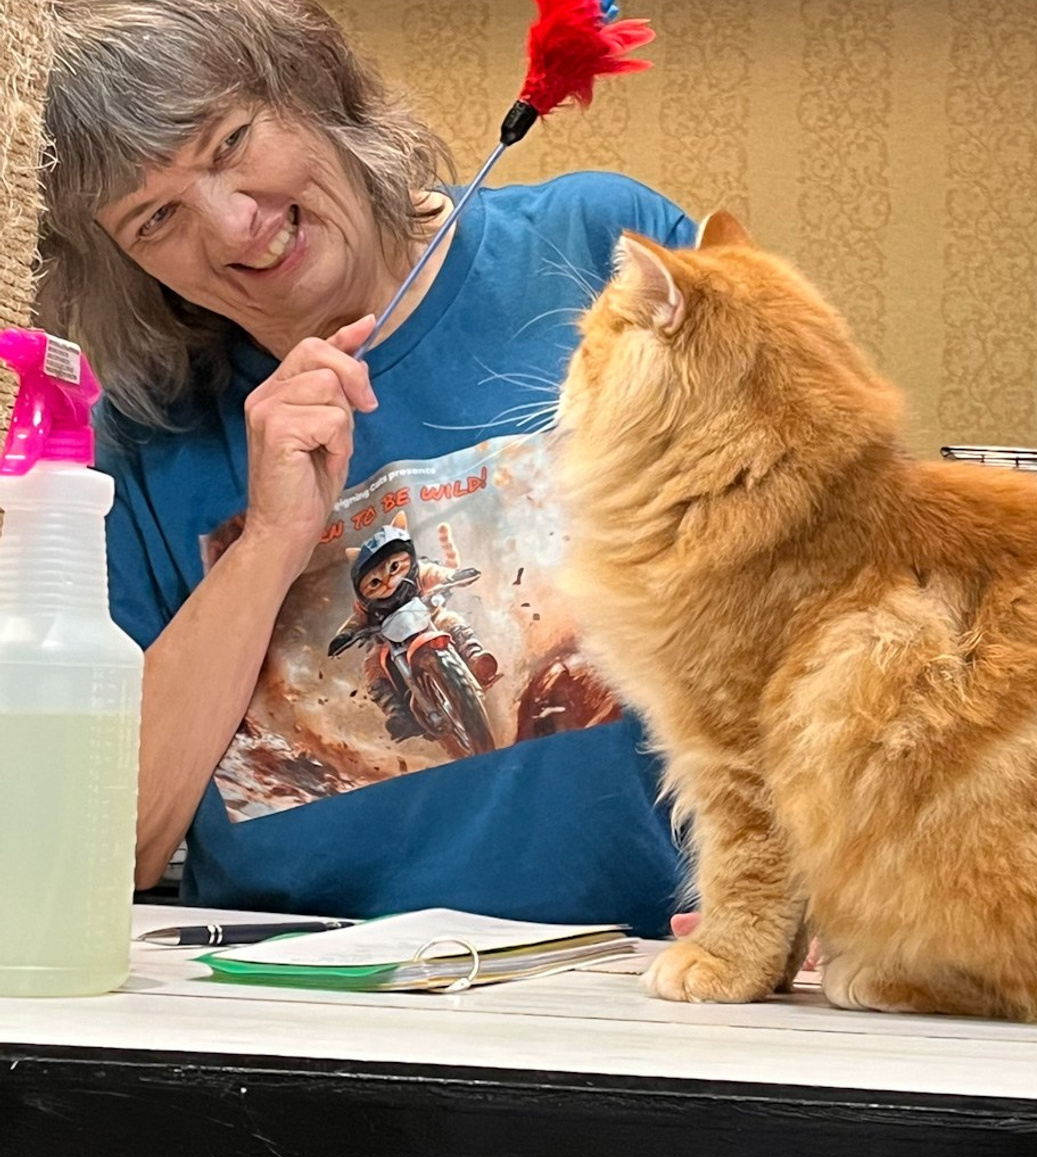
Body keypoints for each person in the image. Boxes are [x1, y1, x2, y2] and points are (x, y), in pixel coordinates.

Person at [38, 0, 696, 935]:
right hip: (285, 1012)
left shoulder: (598, 250)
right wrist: (269, 541)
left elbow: (831, 593)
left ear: (310, 90)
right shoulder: (140, 434)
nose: (232, 228)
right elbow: (114, 841)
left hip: (652, 977)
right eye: (155, 219)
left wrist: (823, 881)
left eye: (229, 145)